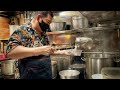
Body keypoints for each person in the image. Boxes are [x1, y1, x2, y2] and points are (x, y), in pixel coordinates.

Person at [6, 11, 70, 79]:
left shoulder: (43, 33)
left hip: (45, 74)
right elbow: (10, 52)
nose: (48, 25)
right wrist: (39, 50)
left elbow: (46, 51)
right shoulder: (22, 31)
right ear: (39, 18)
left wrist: (60, 52)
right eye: (48, 22)